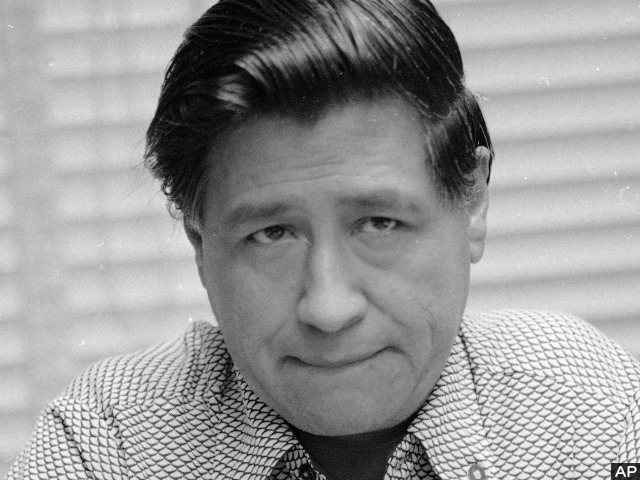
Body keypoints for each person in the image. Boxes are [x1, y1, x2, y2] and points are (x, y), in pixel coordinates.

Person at [7, 0, 640, 479]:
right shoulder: (108, 446)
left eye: (380, 223)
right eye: (271, 234)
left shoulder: (589, 409)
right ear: (199, 243)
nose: (329, 309)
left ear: (471, 202)